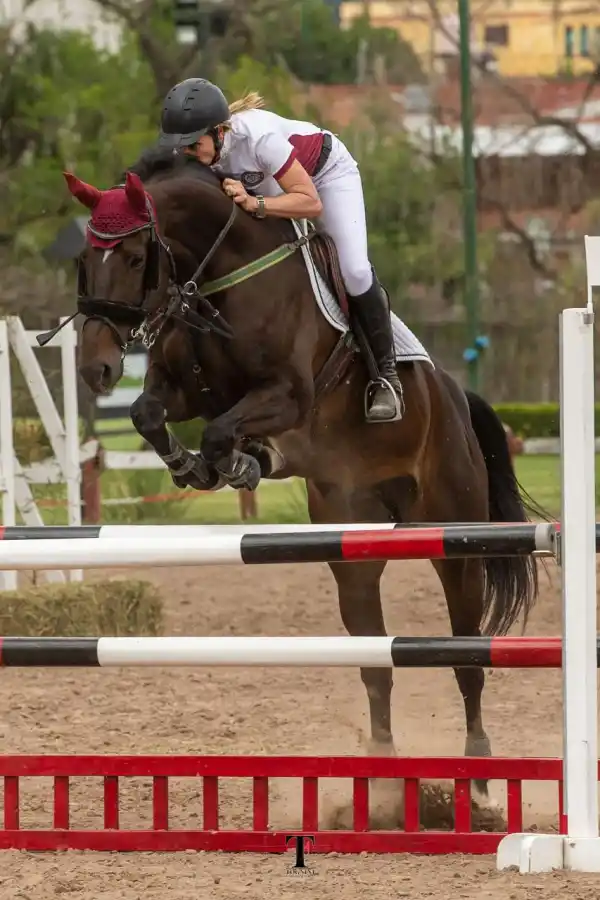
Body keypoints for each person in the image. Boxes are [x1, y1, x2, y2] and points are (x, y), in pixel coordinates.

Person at [158, 77, 403, 423]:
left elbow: (310, 202)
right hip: (275, 191)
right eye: (182, 147)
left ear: (219, 131)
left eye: (193, 145)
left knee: (355, 270)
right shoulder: (203, 153)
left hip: (325, 179)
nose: (188, 154)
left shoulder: (259, 139)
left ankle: (386, 377)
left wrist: (256, 204)